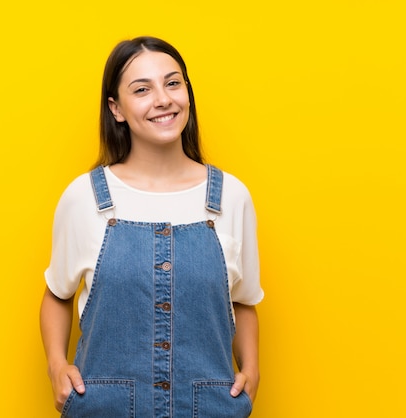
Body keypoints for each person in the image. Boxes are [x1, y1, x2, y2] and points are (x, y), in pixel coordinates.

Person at [40, 36, 264, 417]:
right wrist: (56, 366)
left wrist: (252, 370)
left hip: (208, 408)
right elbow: (56, 295)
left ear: (187, 94)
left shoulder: (231, 197)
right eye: (142, 89)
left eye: (173, 83)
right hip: (104, 408)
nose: (163, 99)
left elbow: (243, 302)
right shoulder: (84, 198)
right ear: (117, 108)